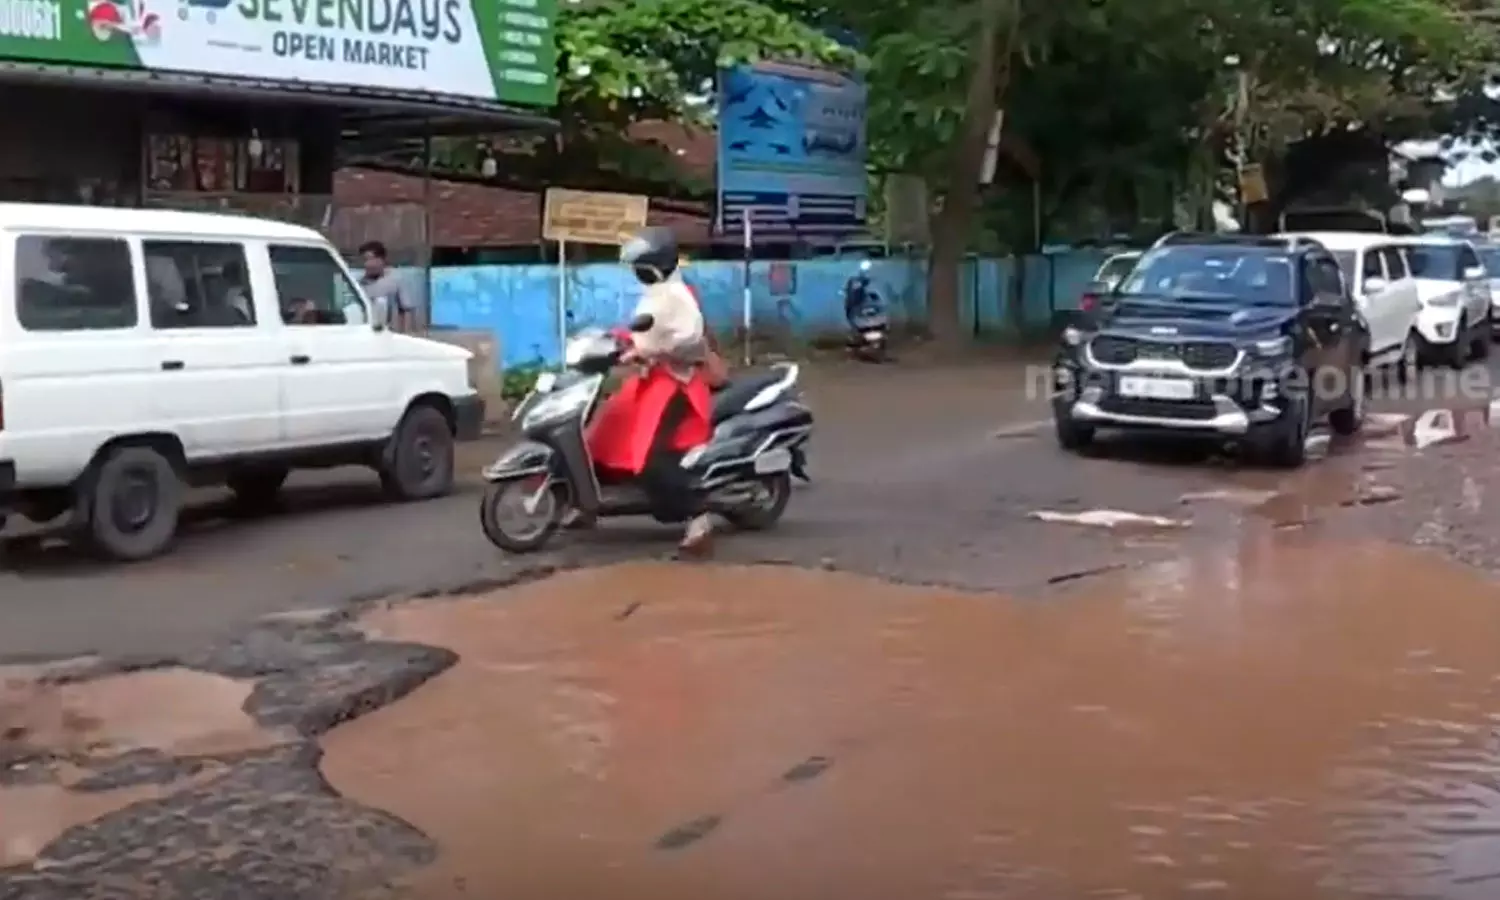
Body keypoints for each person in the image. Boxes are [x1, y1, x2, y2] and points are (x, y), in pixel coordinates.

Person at [585, 227, 716, 551]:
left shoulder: (681, 298)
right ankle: (585, 501)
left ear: (657, 265)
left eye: (641, 266)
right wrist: (612, 340)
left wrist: (652, 351)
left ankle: (697, 516)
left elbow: (690, 344)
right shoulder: (657, 294)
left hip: (676, 386)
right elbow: (642, 331)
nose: (637, 272)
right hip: (650, 380)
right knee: (604, 432)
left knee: (651, 455)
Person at [358, 240, 412, 332]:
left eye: (371, 259)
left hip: (391, 336)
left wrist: (405, 335)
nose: (368, 264)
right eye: (365, 260)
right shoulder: (360, 284)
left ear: (382, 259)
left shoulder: (395, 280)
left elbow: (406, 311)